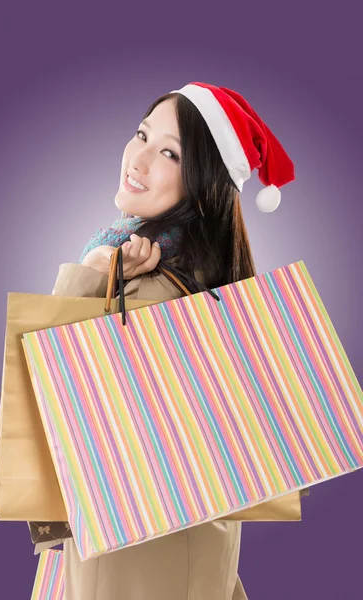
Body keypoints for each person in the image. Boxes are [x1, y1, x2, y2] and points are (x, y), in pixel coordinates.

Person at [31, 81, 295, 599]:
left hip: (138, 563)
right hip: (162, 558)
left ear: (201, 182)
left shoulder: (156, 297)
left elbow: (53, 395)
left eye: (169, 152)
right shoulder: (192, 283)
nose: (139, 157)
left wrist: (90, 273)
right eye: (141, 134)